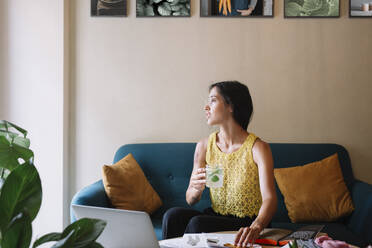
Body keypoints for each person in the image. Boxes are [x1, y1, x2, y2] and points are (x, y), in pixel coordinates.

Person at [162, 81, 277, 248]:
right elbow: (190, 199)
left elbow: (270, 198)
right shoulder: (203, 146)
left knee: (198, 224)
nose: (206, 107)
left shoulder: (258, 148)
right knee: (172, 216)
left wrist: (258, 225)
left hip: (248, 222)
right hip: (216, 216)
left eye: (213, 100)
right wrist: (195, 189)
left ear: (231, 106)